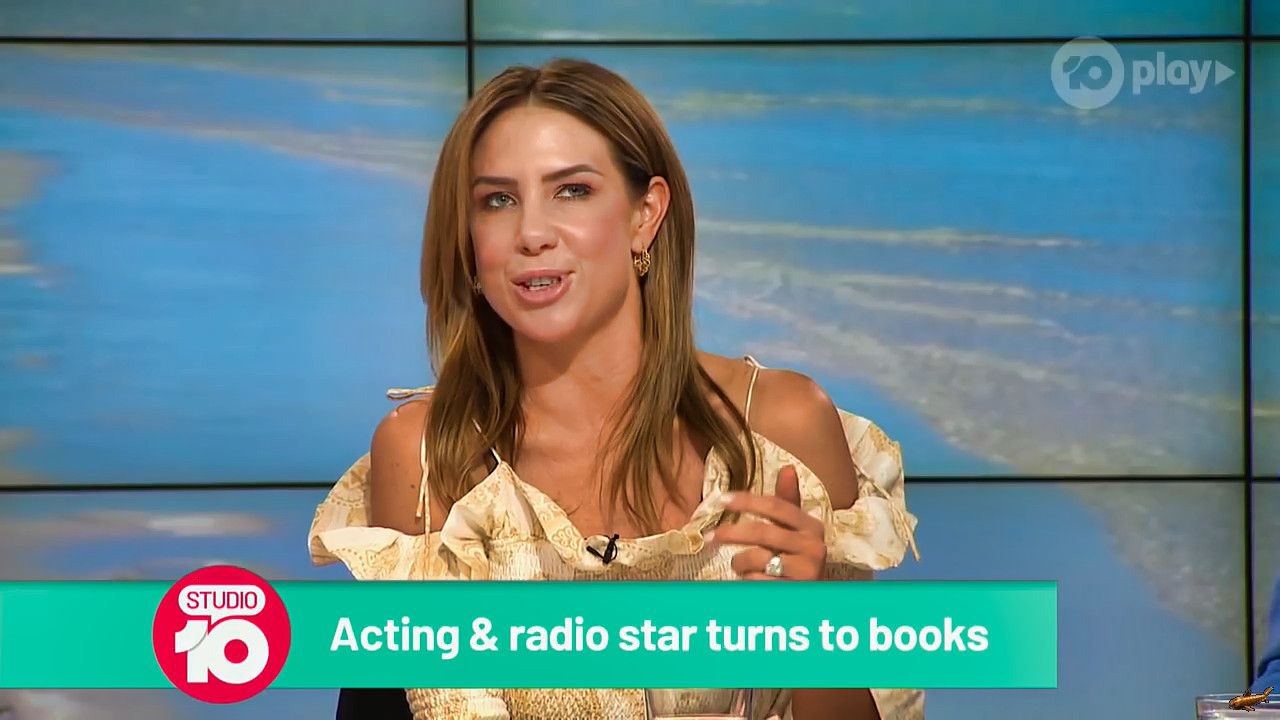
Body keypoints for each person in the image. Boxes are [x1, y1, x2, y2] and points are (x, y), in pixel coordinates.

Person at [308, 57, 922, 720]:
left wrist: (810, 634)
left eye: (571, 191)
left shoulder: (783, 428)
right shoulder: (430, 457)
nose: (532, 234)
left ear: (645, 215)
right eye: (497, 200)